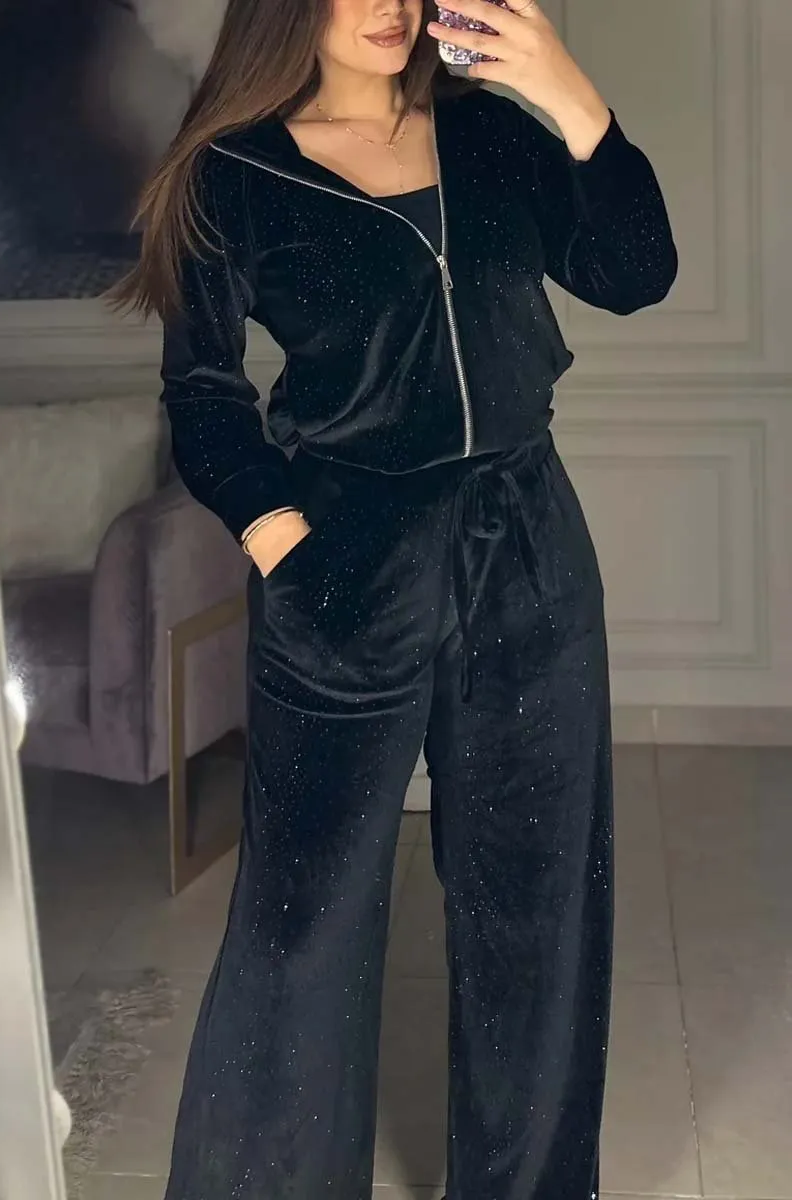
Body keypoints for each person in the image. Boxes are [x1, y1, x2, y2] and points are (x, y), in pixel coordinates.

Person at [113, 0, 677, 1196]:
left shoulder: (491, 136)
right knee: (303, 913)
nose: (385, 6)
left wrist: (569, 94)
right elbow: (203, 393)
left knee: (533, 894)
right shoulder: (235, 175)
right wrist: (285, 544)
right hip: (346, 555)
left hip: (524, 541)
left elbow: (636, 275)